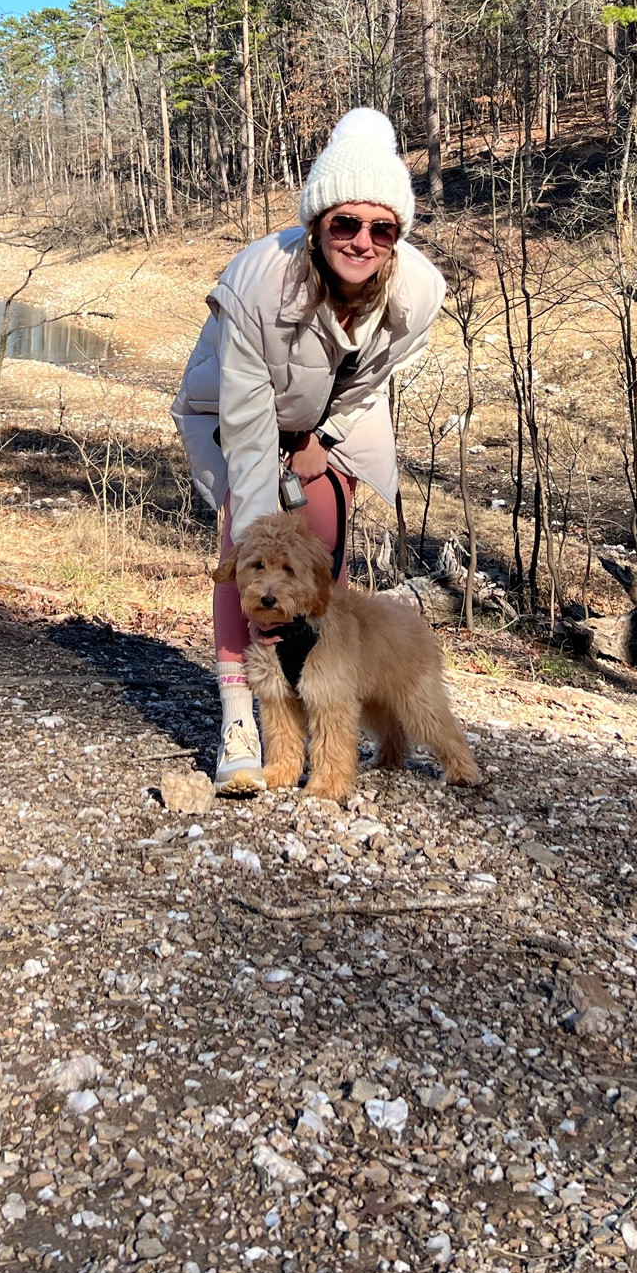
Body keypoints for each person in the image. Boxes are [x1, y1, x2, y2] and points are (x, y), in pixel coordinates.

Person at [172, 108, 446, 791]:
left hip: (333, 426)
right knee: (252, 561)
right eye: (344, 223)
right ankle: (244, 714)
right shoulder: (258, 283)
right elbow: (246, 418)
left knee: (320, 569)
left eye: (382, 228)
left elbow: (369, 381)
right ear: (317, 223)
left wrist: (322, 442)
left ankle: (327, 712)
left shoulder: (419, 291)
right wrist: (260, 529)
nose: (362, 240)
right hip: (244, 416)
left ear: (398, 234)